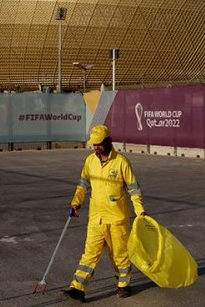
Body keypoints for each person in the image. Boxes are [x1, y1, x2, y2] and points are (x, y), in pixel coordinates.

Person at [62, 125, 148, 302]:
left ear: (109, 141)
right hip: (96, 218)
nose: (96, 147)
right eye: (94, 144)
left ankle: (123, 285)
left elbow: (134, 190)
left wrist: (140, 211)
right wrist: (76, 202)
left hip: (117, 219)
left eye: (99, 144)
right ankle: (78, 288)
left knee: (120, 254)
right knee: (89, 253)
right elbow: (83, 185)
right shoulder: (90, 161)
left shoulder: (122, 162)